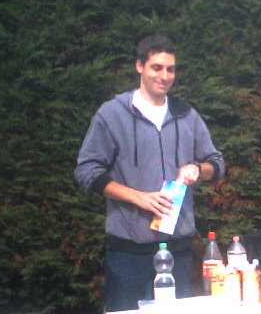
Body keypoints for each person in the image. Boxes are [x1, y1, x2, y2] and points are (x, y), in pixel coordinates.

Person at [75, 34, 225, 312]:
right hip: (128, 252)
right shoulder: (112, 114)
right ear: (139, 66)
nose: (164, 76)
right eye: (157, 67)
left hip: (178, 250)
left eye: (171, 69)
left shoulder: (186, 115)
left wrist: (198, 168)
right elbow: (87, 171)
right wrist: (138, 197)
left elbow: (216, 164)